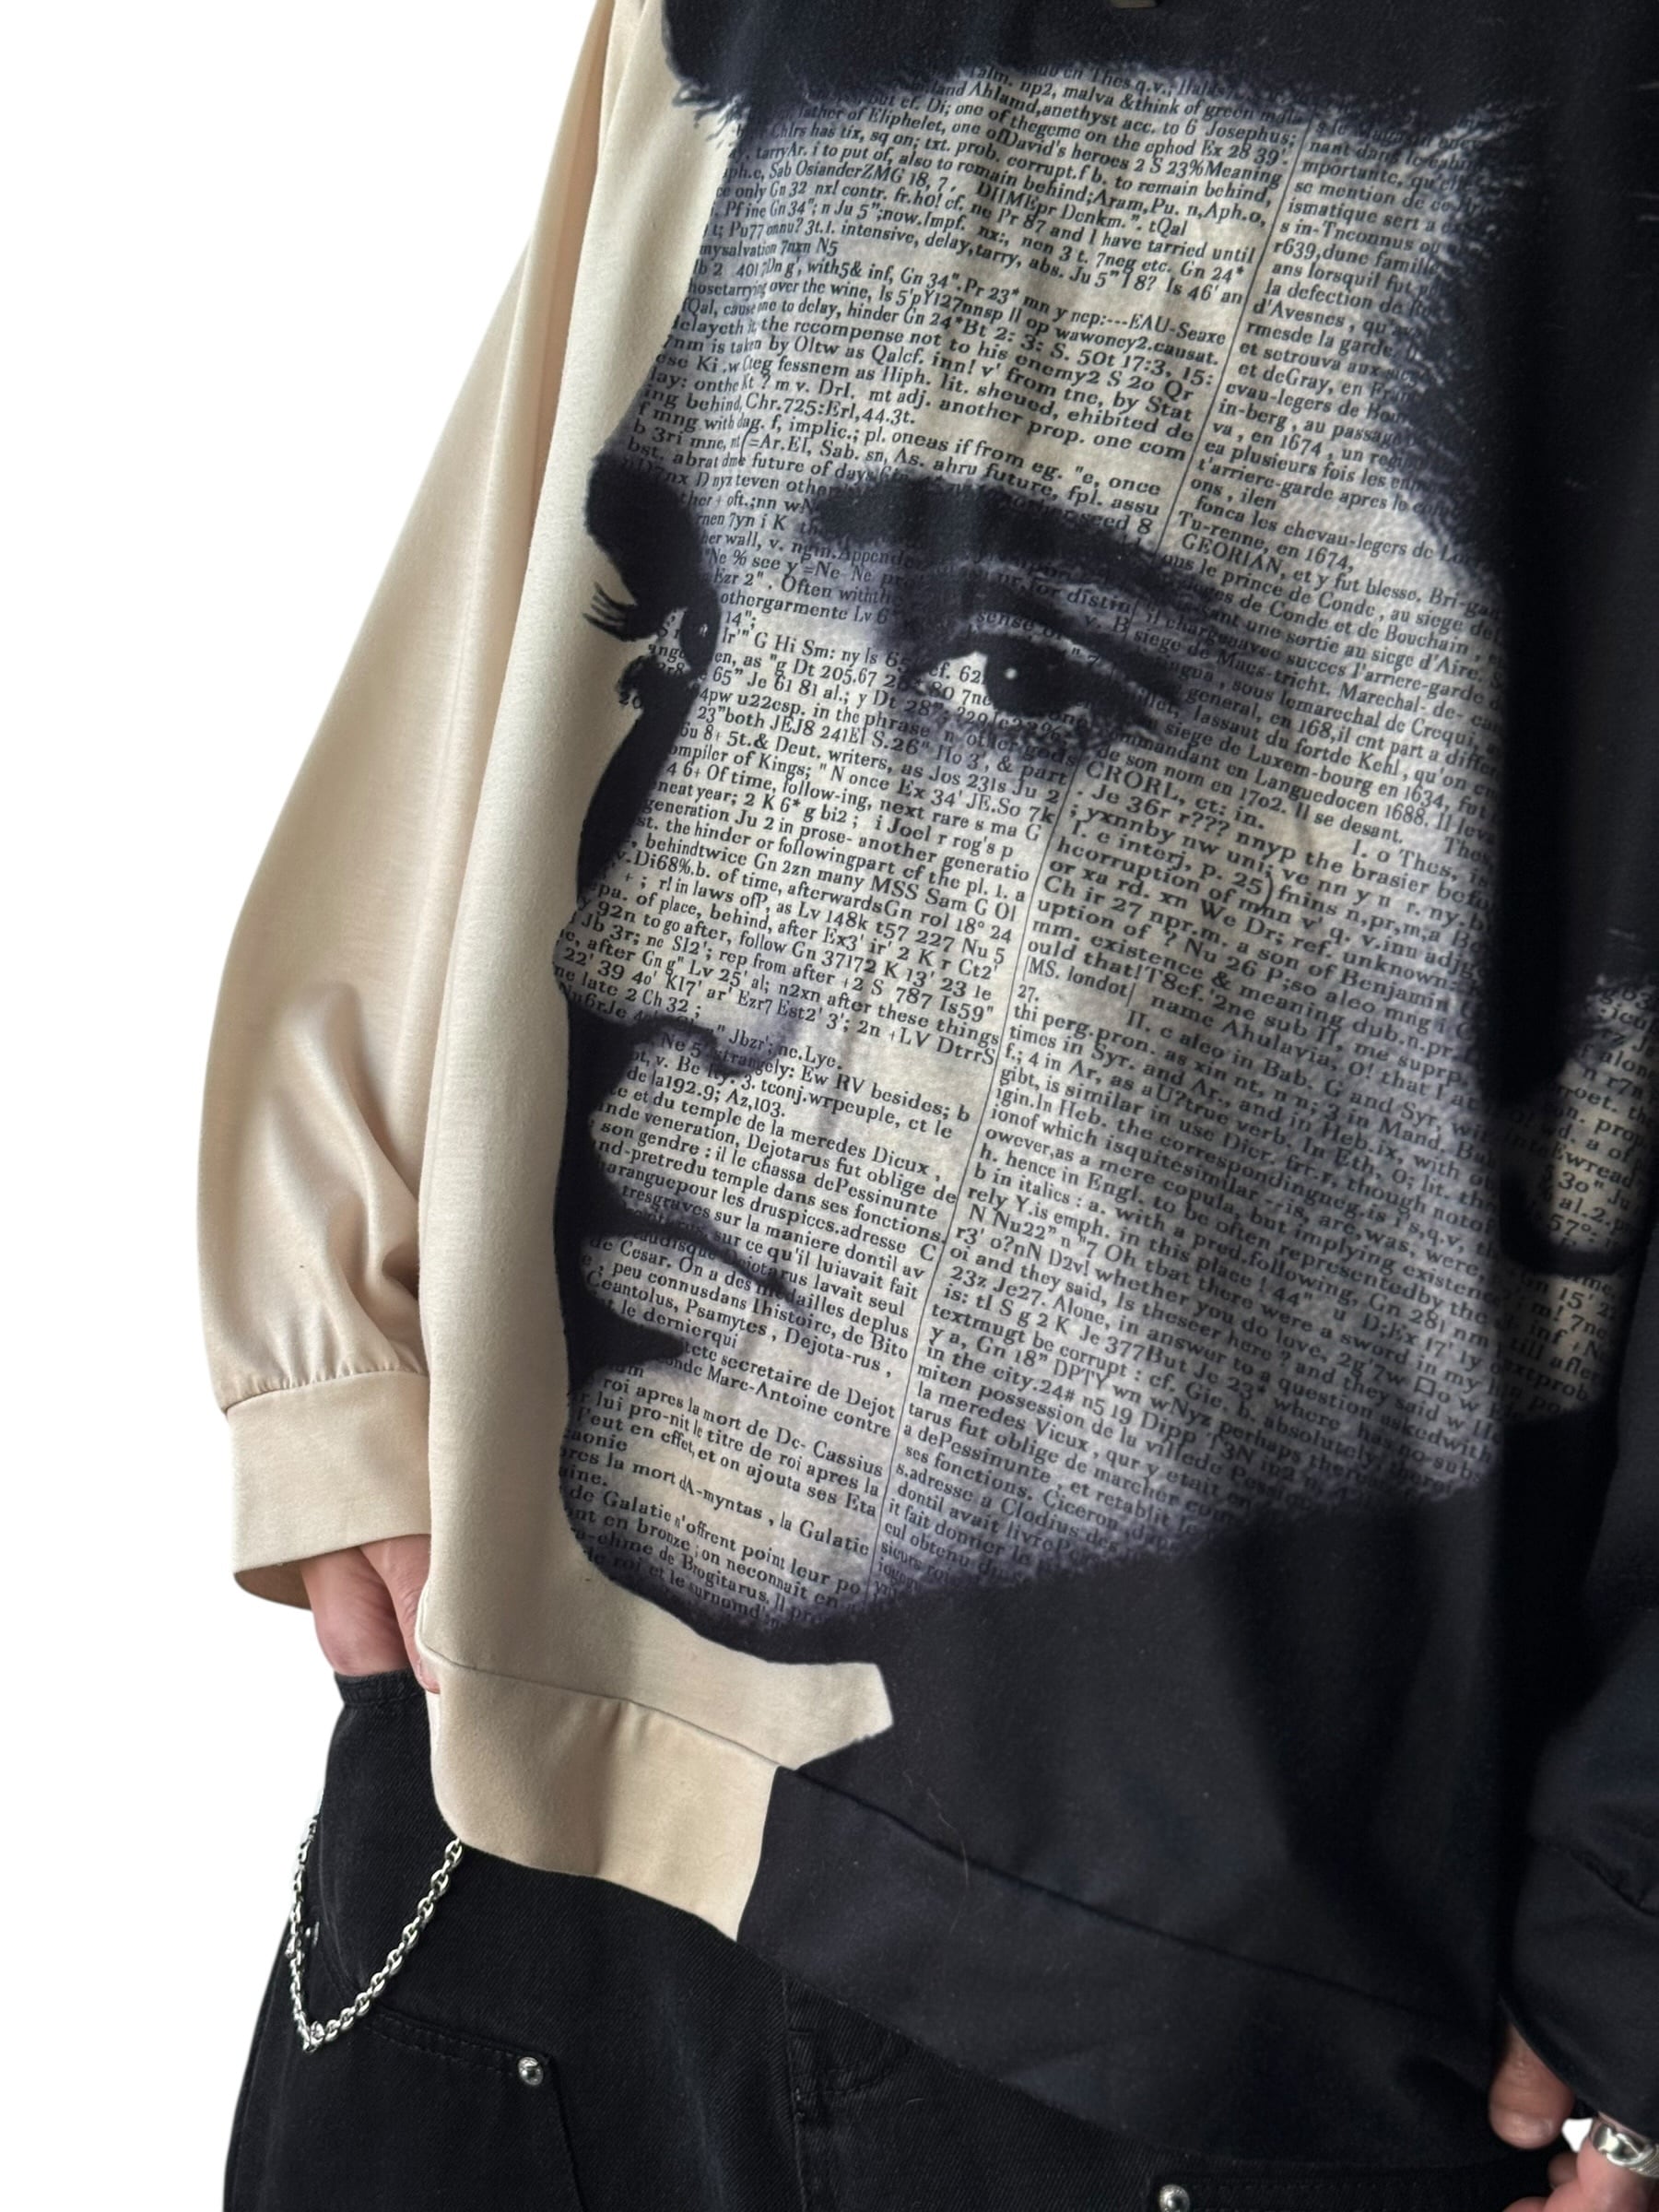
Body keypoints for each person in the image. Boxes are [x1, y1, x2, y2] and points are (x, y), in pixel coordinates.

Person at [198, 0, 1659, 2205]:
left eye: (1017, 676)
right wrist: (337, 1333)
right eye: (685, 636)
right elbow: (532, 492)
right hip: (507, 1827)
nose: (635, 956)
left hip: (1268, 1992)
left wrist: (1638, 1922)